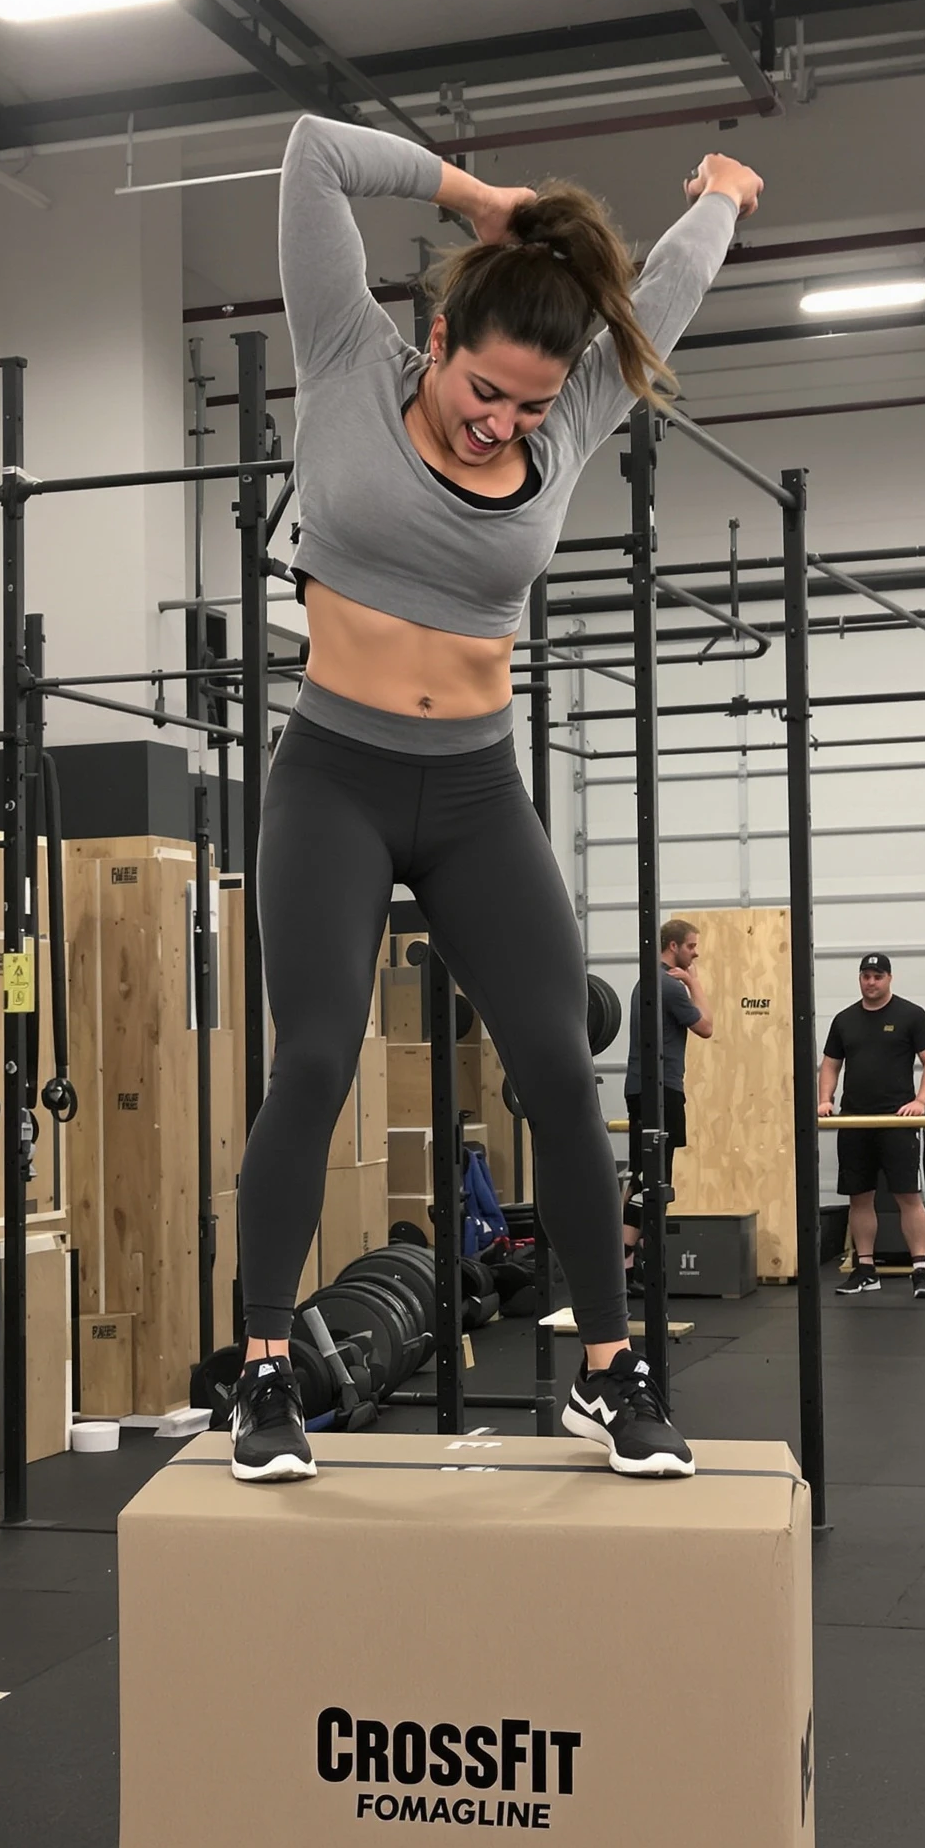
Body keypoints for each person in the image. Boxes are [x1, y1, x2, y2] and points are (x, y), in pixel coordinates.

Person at [229, 113, 763, 1483]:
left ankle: (608, 1372)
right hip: (335, 776)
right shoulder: (347, 355)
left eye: (530, 406)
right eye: (487, 391)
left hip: (474, 789)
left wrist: (720, 199)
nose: (504, 422)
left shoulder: (570, 415)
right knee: (317, 1059)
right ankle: (264, 1373)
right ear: (444, 336)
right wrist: (475, 192)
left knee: (558, 1073)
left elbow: (677, 295)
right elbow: (309, 153)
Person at [818, 954, 925, 1300]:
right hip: (856, 1119)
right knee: (859, 1197)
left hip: (896, 1120)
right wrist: (825, 1099)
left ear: (889, 978)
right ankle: (866, 1269)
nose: (871, 982)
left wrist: (921, 1101)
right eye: (865, 976)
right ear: (859, 979)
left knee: (908, 1196)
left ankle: (920, 1270)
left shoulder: (910, 1015)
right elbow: (829, 1065)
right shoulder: (844, 1020)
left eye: (877, 976)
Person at [622, 919, 712, 1282]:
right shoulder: (671, 986)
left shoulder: (643, 982)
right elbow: (707, 1026)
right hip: (660, 1090)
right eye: (691, 946)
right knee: (651, 1178)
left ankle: (631, 1262)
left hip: (642, 1089)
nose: (695, 953)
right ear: (673, 946)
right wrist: (694, 982)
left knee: (643, 1175)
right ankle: (626, 1261)